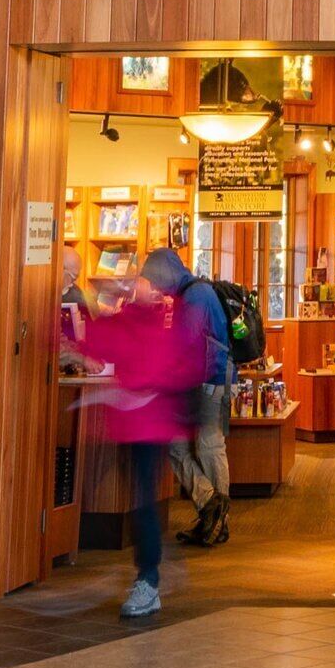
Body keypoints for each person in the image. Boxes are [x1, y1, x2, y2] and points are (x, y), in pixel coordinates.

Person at [75, 263, 208, 617]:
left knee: (143, 499)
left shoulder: (167, 318)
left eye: (150, 282)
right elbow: (103, 343)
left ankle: (148, 578)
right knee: (141, 497)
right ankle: (149, 574)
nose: (145, 288)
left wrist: (147, 388)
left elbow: (180, 364)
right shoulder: (148, 318)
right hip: (139, 422)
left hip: (150, 423)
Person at [157, 250, 234, 549]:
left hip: (208, 380)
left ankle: (217, 519)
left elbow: (185, 342)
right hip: (201, 380)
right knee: (188, 446)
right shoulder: (191, 293)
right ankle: (211, 507)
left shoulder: (195, 296)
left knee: (207, 446)